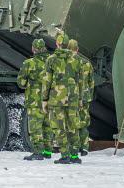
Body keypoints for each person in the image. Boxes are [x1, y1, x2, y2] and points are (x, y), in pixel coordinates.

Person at [42, 36, 84, 164]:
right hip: (73, 98)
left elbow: (46, 81)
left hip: (56, 99)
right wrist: (81, 99)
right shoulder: (77, 60)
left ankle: (64, 154)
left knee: (58, 127)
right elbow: (81, 82)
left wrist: (45, 99)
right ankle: (75, 155)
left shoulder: (51, 59)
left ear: (57, 44)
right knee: (73, 126)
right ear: (68, 45)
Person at [17, 38, 51, 160]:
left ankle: (37, 152)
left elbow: (21, 83)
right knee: (47, 126)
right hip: (49, 100)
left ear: (33, 49)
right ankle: (48, 152)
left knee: (35, 127)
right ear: (44, 48)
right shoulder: (51, 62)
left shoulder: (29, 64)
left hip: (35, 101)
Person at [71, 40, 94, 156]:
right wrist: (89, 95)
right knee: (83, 123)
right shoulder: (86, 63)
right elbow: (91, 82)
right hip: (84, 97)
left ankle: (73, 147)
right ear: (78, 49)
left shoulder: (68, 63)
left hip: (71, 97)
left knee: (71, 123)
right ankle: (84, 147)